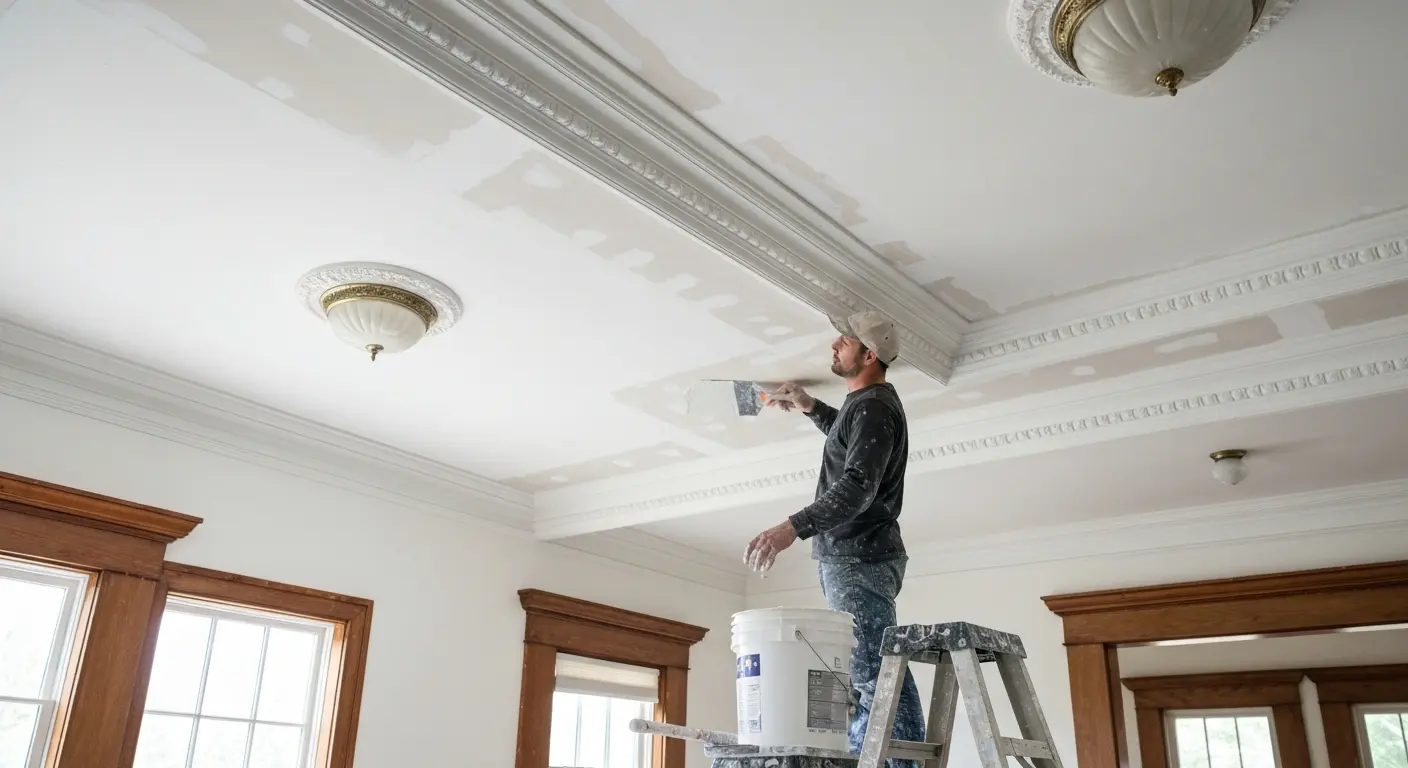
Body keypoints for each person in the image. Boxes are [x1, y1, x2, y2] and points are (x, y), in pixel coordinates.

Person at [744, 310, 924, 767]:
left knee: (872, 674)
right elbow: (847, 439)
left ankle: (892, 763)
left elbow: (858, 486)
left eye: (843, 342)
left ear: (870, 354)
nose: (833, 347)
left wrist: (792, 528)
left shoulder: (874, 406)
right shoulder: (867, 406)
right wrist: (810, 406)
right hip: (858, 556)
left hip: (857, 557)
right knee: (876, 668)